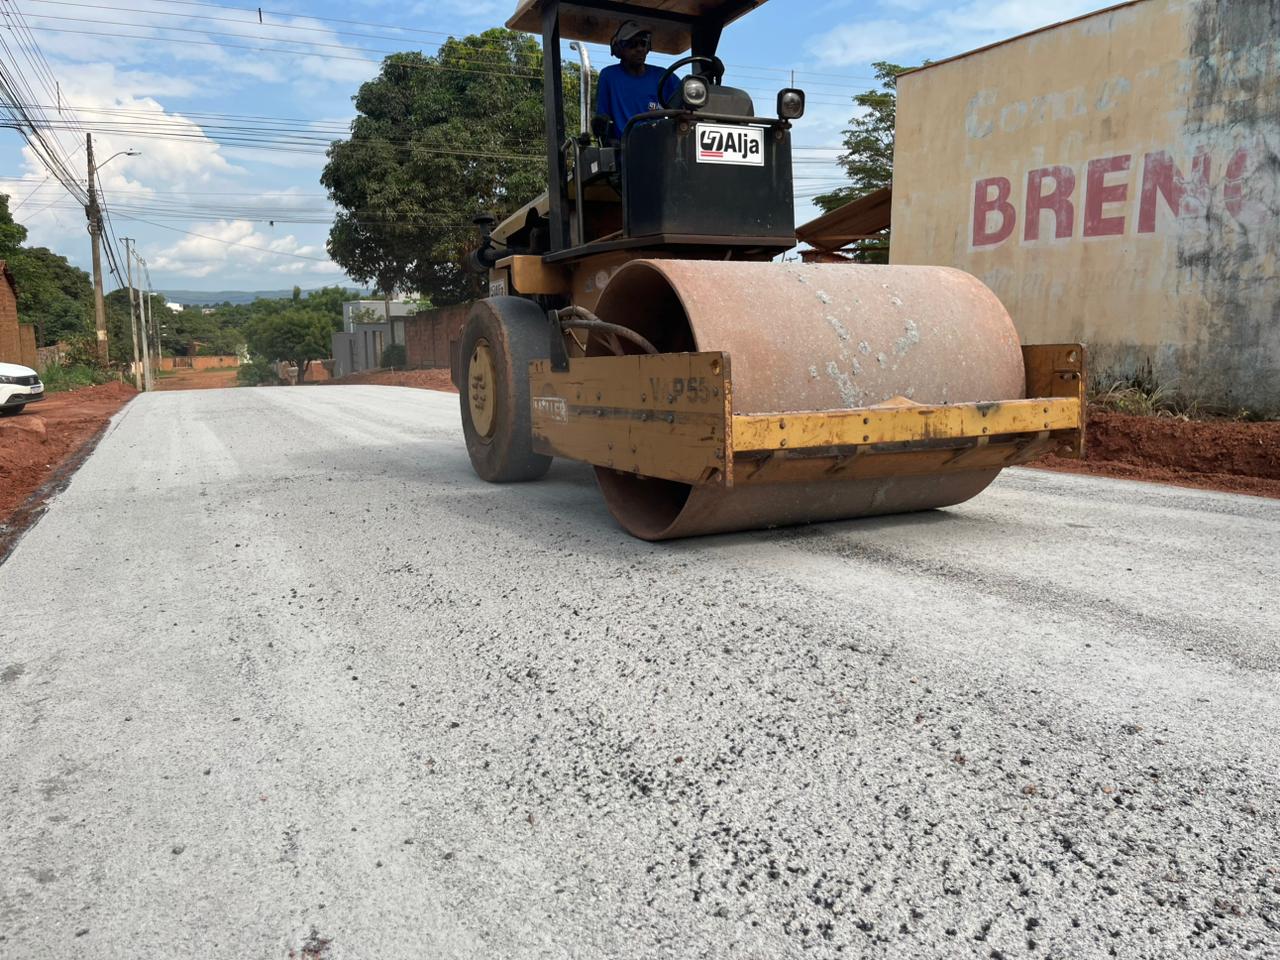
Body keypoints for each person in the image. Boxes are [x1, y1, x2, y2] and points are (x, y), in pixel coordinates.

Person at [595, 20, 679, 141]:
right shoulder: (609, 76)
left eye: (643, 43)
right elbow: (602, 118)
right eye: (633, 44)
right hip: (625, 150)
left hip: (660, 148)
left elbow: (688, 97)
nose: (640, 48)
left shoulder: (664, 76)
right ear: (619, 49)